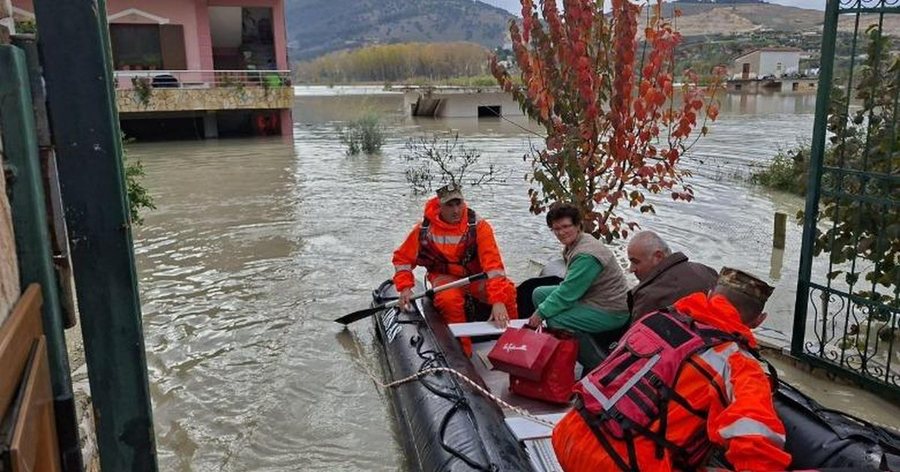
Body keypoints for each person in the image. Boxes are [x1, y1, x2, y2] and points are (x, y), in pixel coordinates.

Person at [552, 267, 791, 472]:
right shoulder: (740, 364)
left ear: (708, 295)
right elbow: (758, 449)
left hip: (568, 436)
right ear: (759, 320)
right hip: (622, 464)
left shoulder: (655, 318)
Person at [392, 183, 518, 354]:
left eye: (458, 204)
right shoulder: (424, 230)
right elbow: (403, 259)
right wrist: (405, 287)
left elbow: (494, 266)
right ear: (439, 206)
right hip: (445, 277)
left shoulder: (479, 226)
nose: (456, 210)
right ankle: (462, 354)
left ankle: (515, 345)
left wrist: (497, 300)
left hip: (475, 276)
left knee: (507, 294)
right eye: (449, 205)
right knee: (448, 300)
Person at [526, 203, 631, 368]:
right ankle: (562, 345)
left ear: (577, 225)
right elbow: (569, 288)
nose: (561, 232)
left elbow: (567, 294)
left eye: (566, 226)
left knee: (556, 319)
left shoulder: (586, 255)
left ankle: (599, 366)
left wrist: (540, 314)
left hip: (611, 309)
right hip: (591, 297)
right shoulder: (576, 243)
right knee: (538, 293)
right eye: (556, 228)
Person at [626, 230, 718, 320]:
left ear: (658, 257)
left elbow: (636, 333)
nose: (631, 269)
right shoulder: (707, 271)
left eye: (635, 262)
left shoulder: (648, 296)